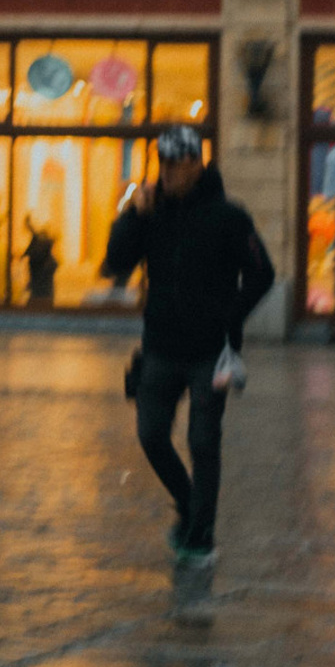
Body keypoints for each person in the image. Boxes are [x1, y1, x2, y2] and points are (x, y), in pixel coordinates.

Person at [101, 124, 273, 588]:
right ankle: (188, 502)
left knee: (203, 442)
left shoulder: (228, 216)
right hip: (159, 347)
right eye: (165, 164)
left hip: (208, 354)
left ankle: (200, 536)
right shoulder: (152, 214)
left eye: (180, 163)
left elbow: (263, 274)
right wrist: (132, 215)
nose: (172, 172)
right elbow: (115, 262)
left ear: (198, 164)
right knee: (151, 434)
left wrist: (231, 318)